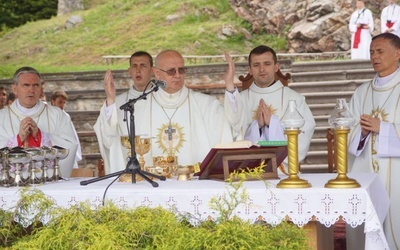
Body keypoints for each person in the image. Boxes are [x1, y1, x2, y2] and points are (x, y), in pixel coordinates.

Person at [95, 50, 233, 174]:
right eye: (171, 71)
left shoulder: (206, 105)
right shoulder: (138, 105)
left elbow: (232, 126)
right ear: (157, 73)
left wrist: (230, 87)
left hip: (192, 184)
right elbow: (109, 135)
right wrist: (110, 100)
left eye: (181, 70)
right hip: (151, 183)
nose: (178, 75)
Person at [224, 45, 316, 173]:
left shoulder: (294, 99)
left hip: (283, 172)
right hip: (246, 172)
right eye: (256, 65)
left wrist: (272, 123)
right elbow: (231, 125)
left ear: (276, 67)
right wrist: (229, 84)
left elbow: (307, 127)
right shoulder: (240, 99)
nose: (261, 69)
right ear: (249, 70)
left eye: (267, 64)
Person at [347, 32, 400, 250]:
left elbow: (381, 127)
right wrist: (361, 132)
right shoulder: (361, 92)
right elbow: (347, 129)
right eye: (371, 52)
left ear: (398, 54)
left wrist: (383, 129)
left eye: (380, 51)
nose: (374, 57)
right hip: (366, 171)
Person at [0, 66, 79, 177]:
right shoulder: (2, 117)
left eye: (36, 85)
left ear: (41, 89)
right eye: (26, 85)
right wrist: (18, 140)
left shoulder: (57, 115)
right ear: (14, 89)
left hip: (49, 184)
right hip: (11, 184)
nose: (31, 90)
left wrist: (40, 136)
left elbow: (71, 145)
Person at [50, 89, 82, 169]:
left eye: (64, 103)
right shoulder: (48, 116)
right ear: (53, 101)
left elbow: (72, 136)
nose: (62, 105)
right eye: (60, 102)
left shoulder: (66, 116)